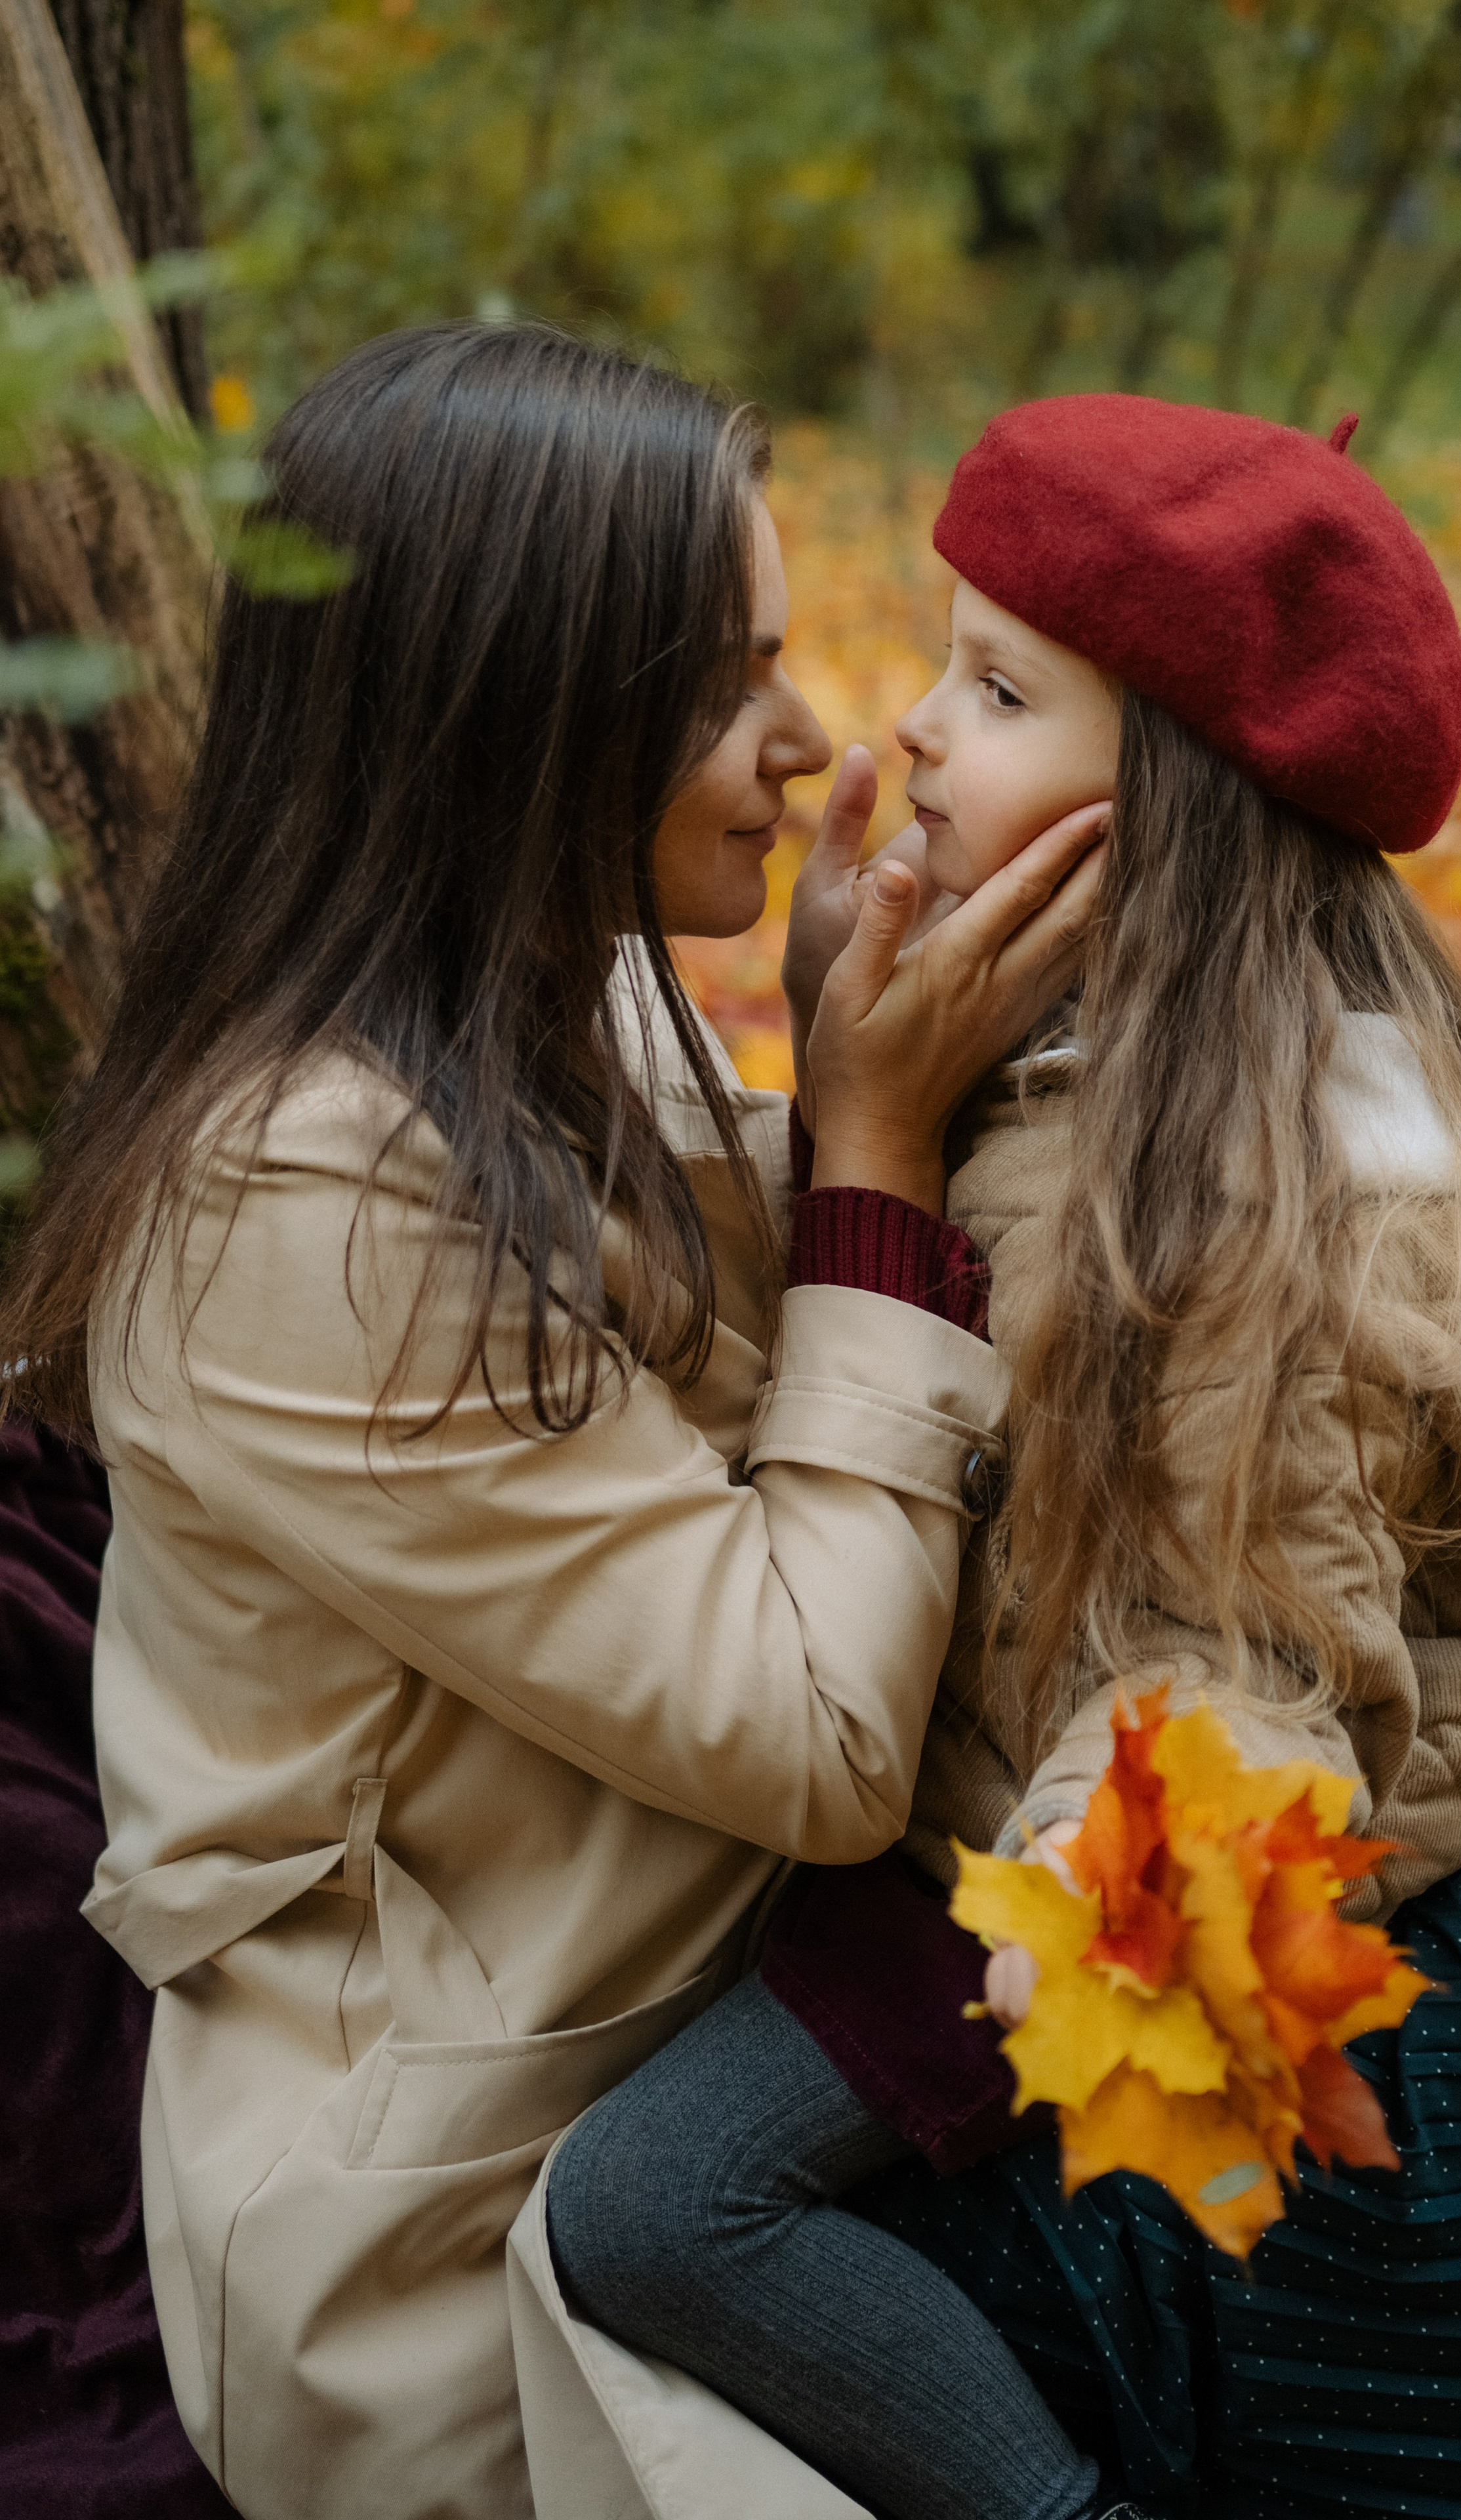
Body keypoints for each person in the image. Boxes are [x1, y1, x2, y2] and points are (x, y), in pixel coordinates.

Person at [0, 324, 1105, 2520]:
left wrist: (844, 1064)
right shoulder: (297, 1190)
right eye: (726, 684)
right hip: (490, 2241)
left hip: (717, 2031)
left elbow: (742, 1359)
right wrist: (870, 1151)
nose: (813, 744)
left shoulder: (554, 992)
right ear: (518, 707)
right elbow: (811, 1724)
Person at [546, 395, 1461, 2520]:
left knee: (657, 2206)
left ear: (1177, 797)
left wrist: (1101, 1876)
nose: (912, 730)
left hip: (1118, 1834)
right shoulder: (1079, 1069)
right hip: (993, 1765)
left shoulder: (1250, 1209)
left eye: (994, 691)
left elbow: (1241, 1634)